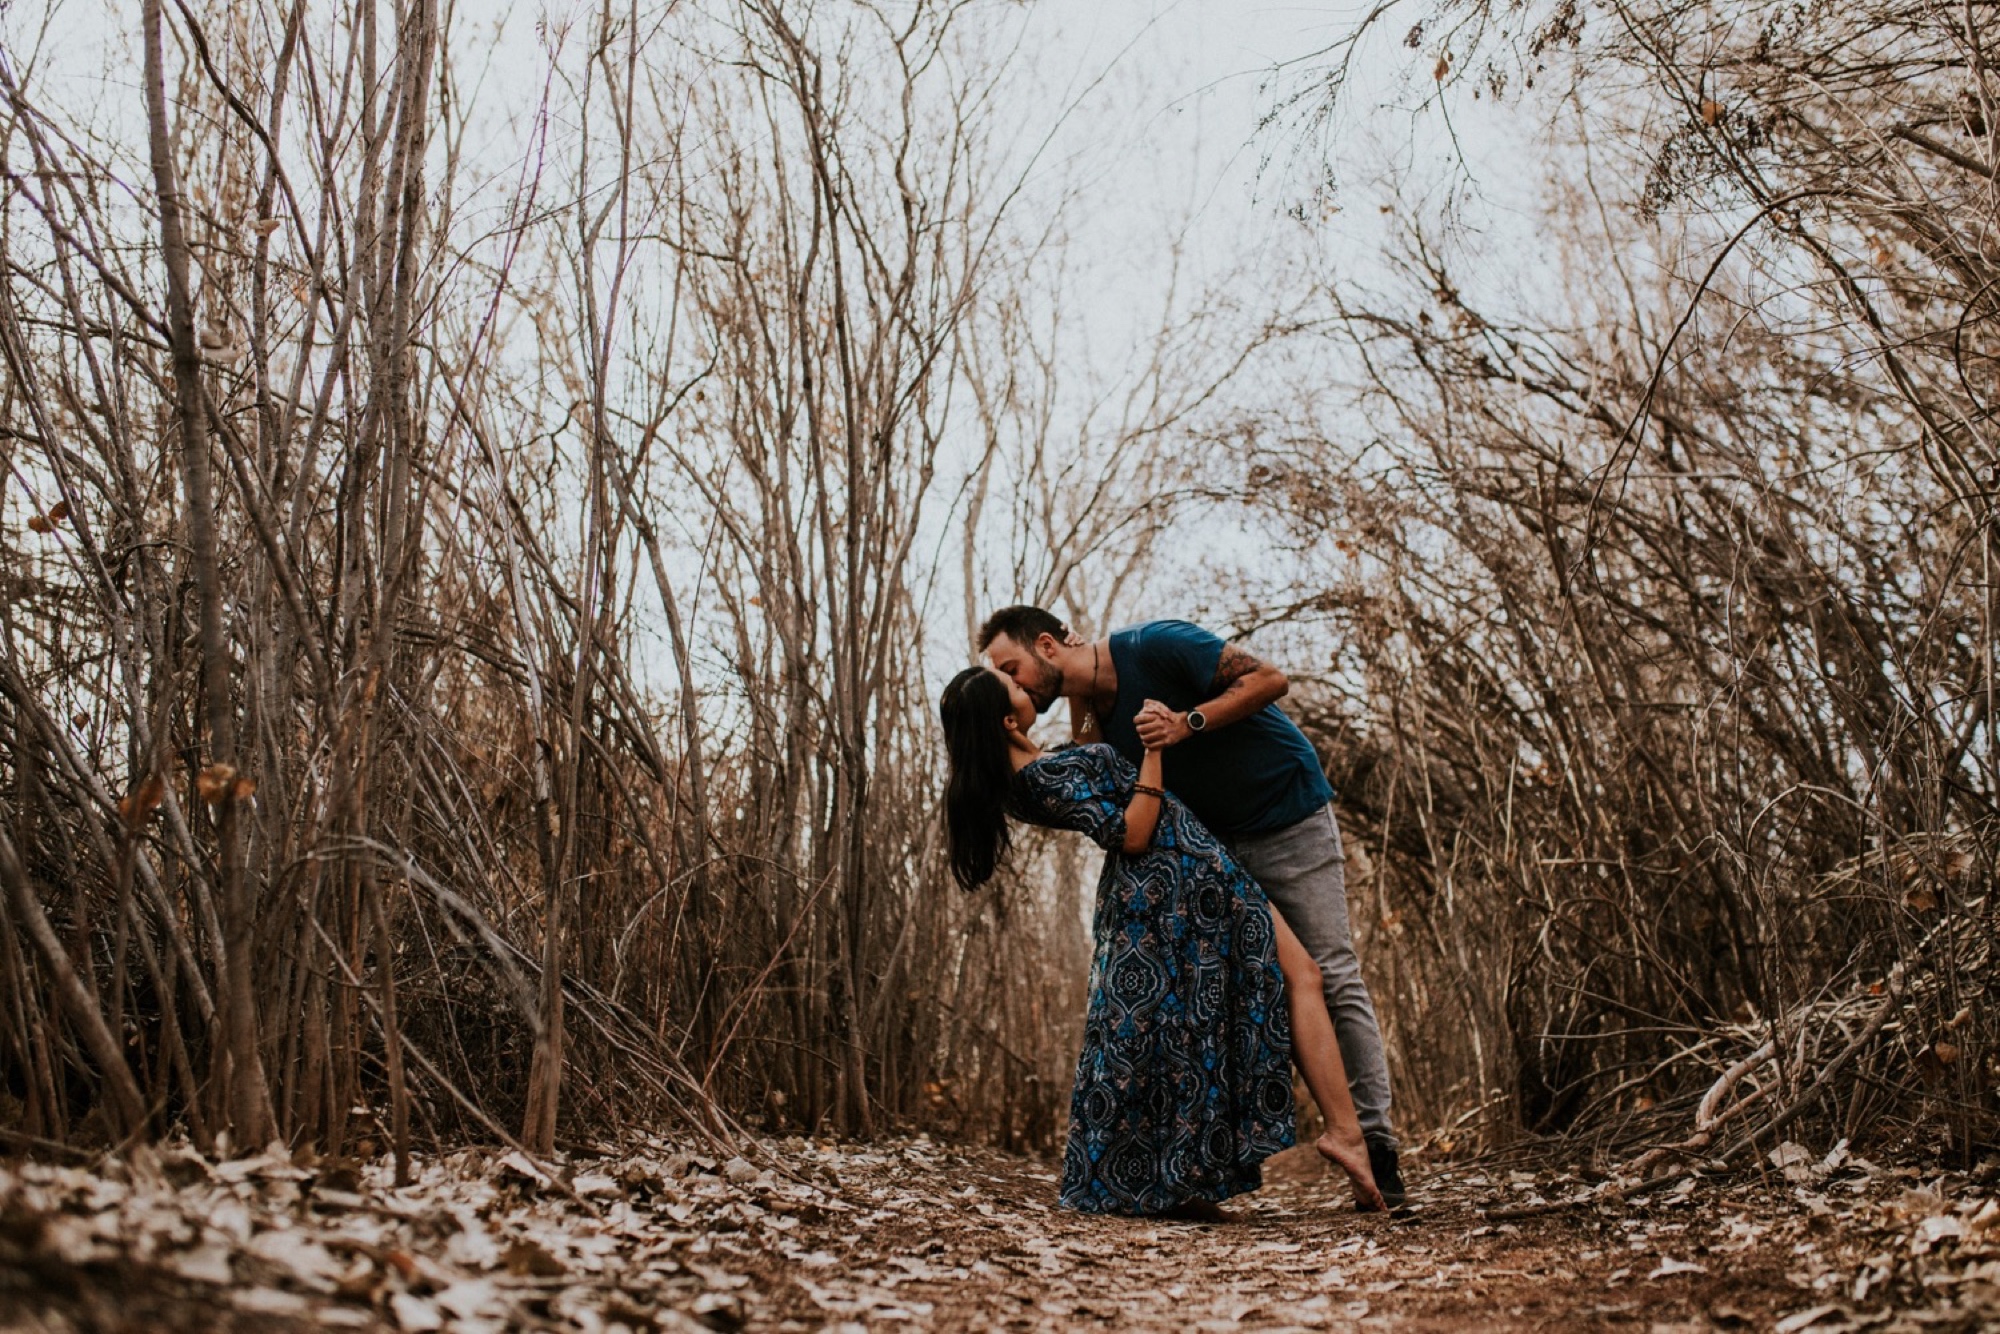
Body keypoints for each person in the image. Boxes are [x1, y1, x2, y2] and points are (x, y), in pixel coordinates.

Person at [979, 606, 1407, 1209]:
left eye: (1012, 669)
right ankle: (1198, 1166)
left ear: (1046, 645)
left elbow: (1269, 680)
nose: (1015, 685)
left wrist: (1188, 722)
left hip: (1285, 815)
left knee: (1328, 973)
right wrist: (1080, 695)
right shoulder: (1088, 713)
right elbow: (1103, 776)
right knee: (1243, 990)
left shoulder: (1156, 645)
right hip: (1211, 849)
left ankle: (1376, 1146)